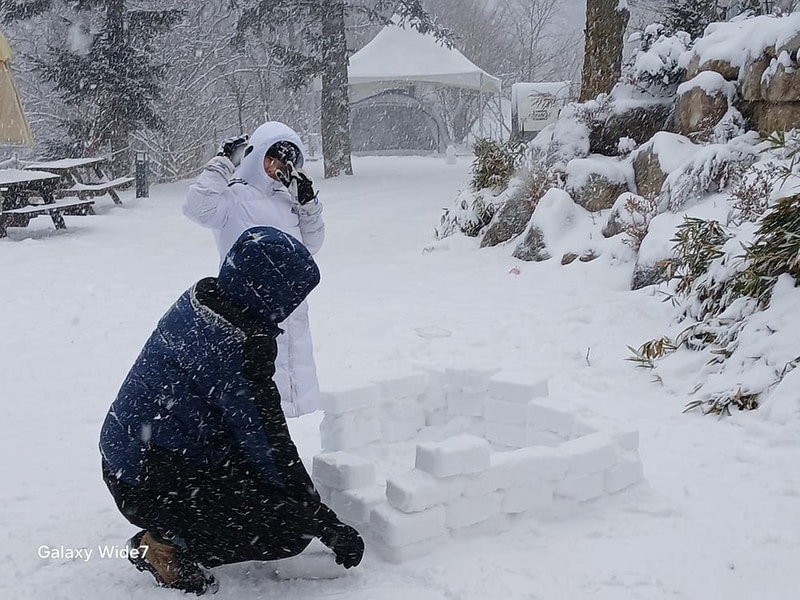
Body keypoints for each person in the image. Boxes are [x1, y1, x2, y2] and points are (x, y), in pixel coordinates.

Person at [99, 227, 364, 595]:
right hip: (147, 477)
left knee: (263, 488)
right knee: (286, 529)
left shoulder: (207, 301)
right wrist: (321, 520)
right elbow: (268, 444)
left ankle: (174, 524)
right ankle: (163, 544)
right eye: (294, 296)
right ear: (270, 292)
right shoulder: (238, 349)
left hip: (131, 455)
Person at [183, 122, 324, 419]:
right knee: (256, 405)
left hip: (290, 313)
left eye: (285, 162)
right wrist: (221, 164)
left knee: (290, 402)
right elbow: (196, 208)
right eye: (271, 158)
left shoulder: (288, 200)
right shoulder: (233, 198)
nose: (276, 168)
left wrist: (308, 205)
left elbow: (311, 245)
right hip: (248, 312)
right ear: (257, 155)